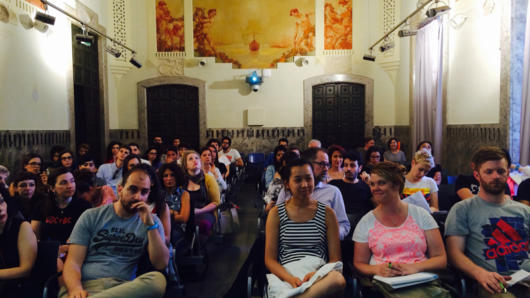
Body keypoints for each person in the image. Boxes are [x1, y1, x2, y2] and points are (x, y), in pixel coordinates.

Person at [60, 167, 168, 298]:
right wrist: (75, 289)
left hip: (124, 289)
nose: (138, 197)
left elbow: (161, 263)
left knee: (157, 280)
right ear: (120, 189)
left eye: (144, 192)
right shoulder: (91, 216)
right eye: (133, 189)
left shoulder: (152, 222)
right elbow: (73, 262)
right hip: (86, 286)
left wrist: (151, 226)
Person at [353, 162, 450, 297]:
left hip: (421, 279)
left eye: (381, 183)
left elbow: (440, 258)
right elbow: (359, 263)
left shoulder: (420, 214)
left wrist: (414, 267)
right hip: (386, 284)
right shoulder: (366, 222)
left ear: (396, 185)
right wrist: (377, 269)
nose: (375, 188)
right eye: (372, 184)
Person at [445, 146, 530, 298]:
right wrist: (481, 274)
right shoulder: (463, 209)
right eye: (489, 172)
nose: (496, 176)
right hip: (493, 283)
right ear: (477, 175)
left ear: (508, 173)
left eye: (501, 171)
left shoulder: (523, 210)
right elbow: (454, 254)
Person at [265, 159, 345, 298]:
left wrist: (316, 274)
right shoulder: (276, 213)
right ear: (287, 183)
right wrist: (290, 278)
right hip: (287, 273)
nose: (305, 185)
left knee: (337, 279)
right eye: (297, 180)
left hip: (318, 275)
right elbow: (270, 259)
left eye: (309, 178)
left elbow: (335, 259)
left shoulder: (328, 213)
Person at [276, 148, 350, 239]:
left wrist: (332, 235)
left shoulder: (333, 192)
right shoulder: (288, 190)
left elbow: (343, 224)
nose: (326, 168)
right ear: (308, 165)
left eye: (327, 164)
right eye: (321, 164)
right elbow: (277, 221)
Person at [31, 167, 90, 245]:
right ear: (52, 188)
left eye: (72, 181)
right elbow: (34, 234)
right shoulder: (41, 205)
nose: (70, 186)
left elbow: (86, 236)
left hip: (75, 249)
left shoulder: (84, 206)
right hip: (47, 249)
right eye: (63, 183)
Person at [0, 193, 38, 298]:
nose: (0, 208)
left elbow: (25, 270)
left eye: (2, 201)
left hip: (20, 287)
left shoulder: (22, 226)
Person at [329, 152, 373, 233]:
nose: (348, 169)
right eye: (345, 165)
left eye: (352, 165)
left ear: (360, 168)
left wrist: (370, 184)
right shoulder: (334, 185)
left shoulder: (365, 187)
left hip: (359, 230)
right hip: (337, 229)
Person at [181, 150, 220, 236]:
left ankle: (202, 247)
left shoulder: (208, 179)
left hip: (205, 211)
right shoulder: (182, 181)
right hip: (186, 212)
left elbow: (216, 202)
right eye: (190, 159)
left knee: (204, 225)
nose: (195, 160)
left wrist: (200, 211)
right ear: (185, 165)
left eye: (197, 158)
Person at [159, 163, 191, 251]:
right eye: (165, 176)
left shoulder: (184, 194)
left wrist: (165, 214)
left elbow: (183, 218)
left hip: (177, 229)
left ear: (177, 177)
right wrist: (173, 212)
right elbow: (155, 215)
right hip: (159, 227)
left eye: (172, 175)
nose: (169, 178)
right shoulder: (158, 194)